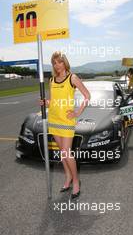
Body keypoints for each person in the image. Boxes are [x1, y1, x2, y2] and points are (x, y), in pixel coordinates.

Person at [40, 51, 90, 199]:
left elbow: (87, 96)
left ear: (65, 62)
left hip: (66, 121)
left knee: (67, 153)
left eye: (60, 62)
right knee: (62, 152)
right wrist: (45, 103)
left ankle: (76, 182)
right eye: (54, 63)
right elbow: (52, 100)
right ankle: (67, 178)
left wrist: (77, 113)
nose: (57, 65)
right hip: (54, 119)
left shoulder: (72, 78)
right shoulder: (52, 80)